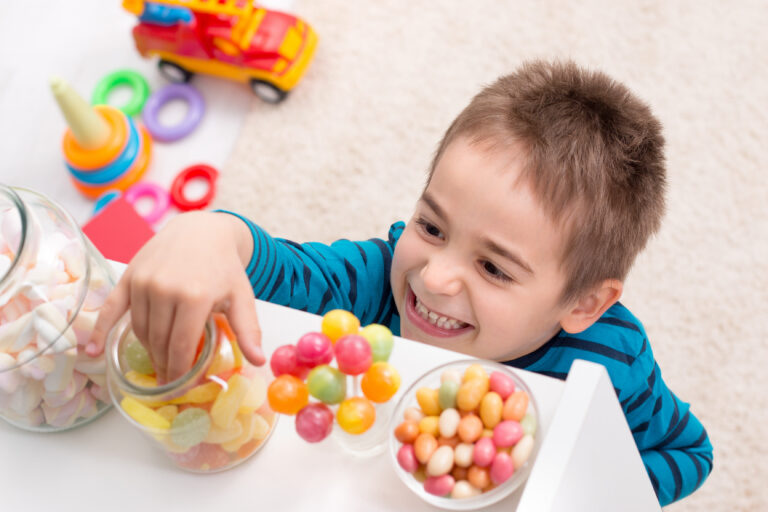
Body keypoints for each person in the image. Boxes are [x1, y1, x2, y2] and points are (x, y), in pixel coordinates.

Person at [88, 60, 712, 505]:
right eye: (432, 225)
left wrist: (571, 490)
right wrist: (211, 234)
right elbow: (286, 272)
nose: (433, 276)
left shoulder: (612, 364)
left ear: (584, 302)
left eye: (493, 268)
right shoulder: (379, 280)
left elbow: (689, 455)